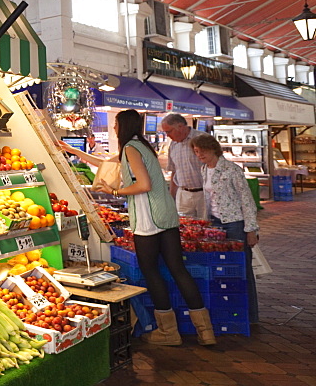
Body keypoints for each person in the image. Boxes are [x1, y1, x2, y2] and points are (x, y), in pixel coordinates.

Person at [59, 109, 215, 346]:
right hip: (166, 214)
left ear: (123, 126)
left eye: (115, 126)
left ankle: (168, 332)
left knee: (151, 271)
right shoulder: (139, 146)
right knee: (178, 269)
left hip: (148, 217)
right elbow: (106, 164)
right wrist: (72, 151)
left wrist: (113, 191)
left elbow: (143, 184)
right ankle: (206, 332)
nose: (113, 129)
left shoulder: (131, 148)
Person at [190, 134, 260, 324]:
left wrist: (251, 229)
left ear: (213, 148)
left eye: (202, 150)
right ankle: (227, 309)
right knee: (221, 267)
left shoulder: (231, 170)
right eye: (196, 151)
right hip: (215, 223)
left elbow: (247, 201)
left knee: (241, 267)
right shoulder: (204, 170)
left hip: (235, 223)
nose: (199, 154)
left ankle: (250, 315)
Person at [160, 113, 207, 219]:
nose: (167, 135)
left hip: (204, 194)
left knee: (206, 227)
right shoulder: (173, 145)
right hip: (183, 195)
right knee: (185, 228)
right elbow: (174, 171)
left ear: (180, 127)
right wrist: (171, 197)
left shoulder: (202, 139)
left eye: (169, 131)